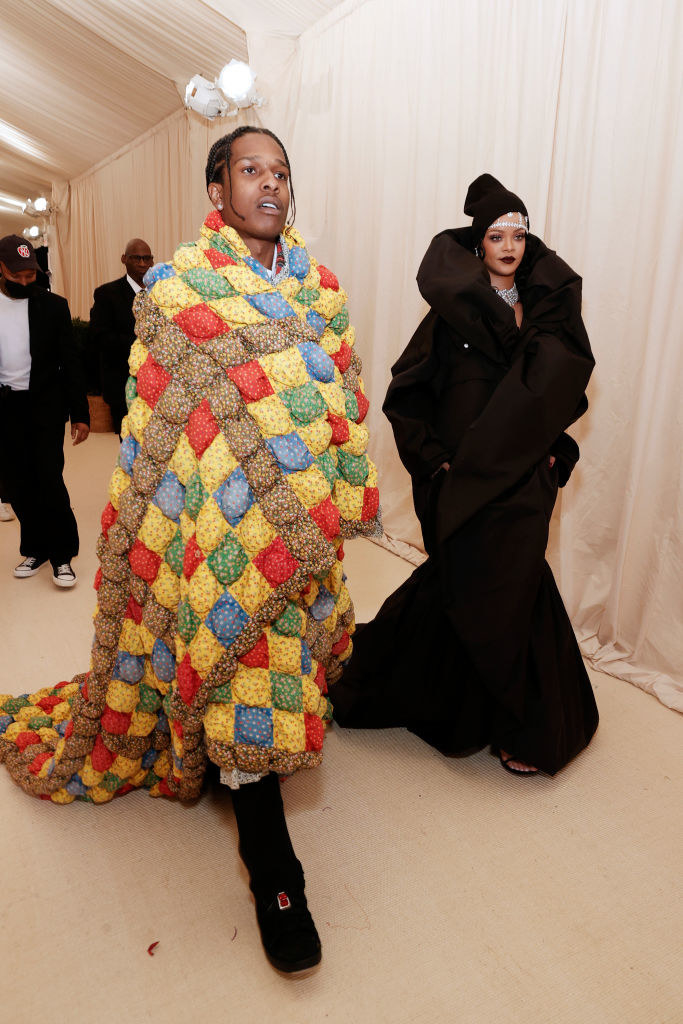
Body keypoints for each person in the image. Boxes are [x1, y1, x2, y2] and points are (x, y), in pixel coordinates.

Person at [0, 128, 380, 973]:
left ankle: (250, 793)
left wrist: (325, 485)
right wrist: (183, 527)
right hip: (217, 534)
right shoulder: (175, 289)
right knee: (246, 681)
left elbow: (341, 393)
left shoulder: (320, 289)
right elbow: (159, 415)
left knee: (287, 674)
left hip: (299, 531)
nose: (270, 184)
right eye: (251, 171)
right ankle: (276, 875)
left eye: (282, 171)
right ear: (217, 191)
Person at [332, 173, 598, 777]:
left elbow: (550, 398)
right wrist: (434, 463)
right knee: (463, 587)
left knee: (517, 588)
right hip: (466, 483)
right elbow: (405, 395)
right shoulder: (451, 318)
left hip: (525, 480)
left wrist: (558, 452)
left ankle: (518, 729)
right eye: (497, 235)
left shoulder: (548, 312)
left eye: (520, 234)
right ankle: (410, 684)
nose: (509, 245)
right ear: (478, 244)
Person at [0, 235, 90, 587]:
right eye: (16, 275)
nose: (24, 282)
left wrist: (80, 413)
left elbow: (71, 362)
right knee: (16, 483)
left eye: (30, 275)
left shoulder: (53, 306)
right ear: (2, 268)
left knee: (49, 479)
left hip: (44, 405)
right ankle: (35, 548)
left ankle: (63, 556)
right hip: (6, 407)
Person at [90, 239, 154, 435]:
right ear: (124, 259)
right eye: (137, 258)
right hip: (122, 382)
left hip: (159, 383)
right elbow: (101, 337)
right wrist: (143, 344)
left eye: (147, 258)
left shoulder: (162, 291)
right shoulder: (106, 294)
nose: (143, 263)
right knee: (128, 444)